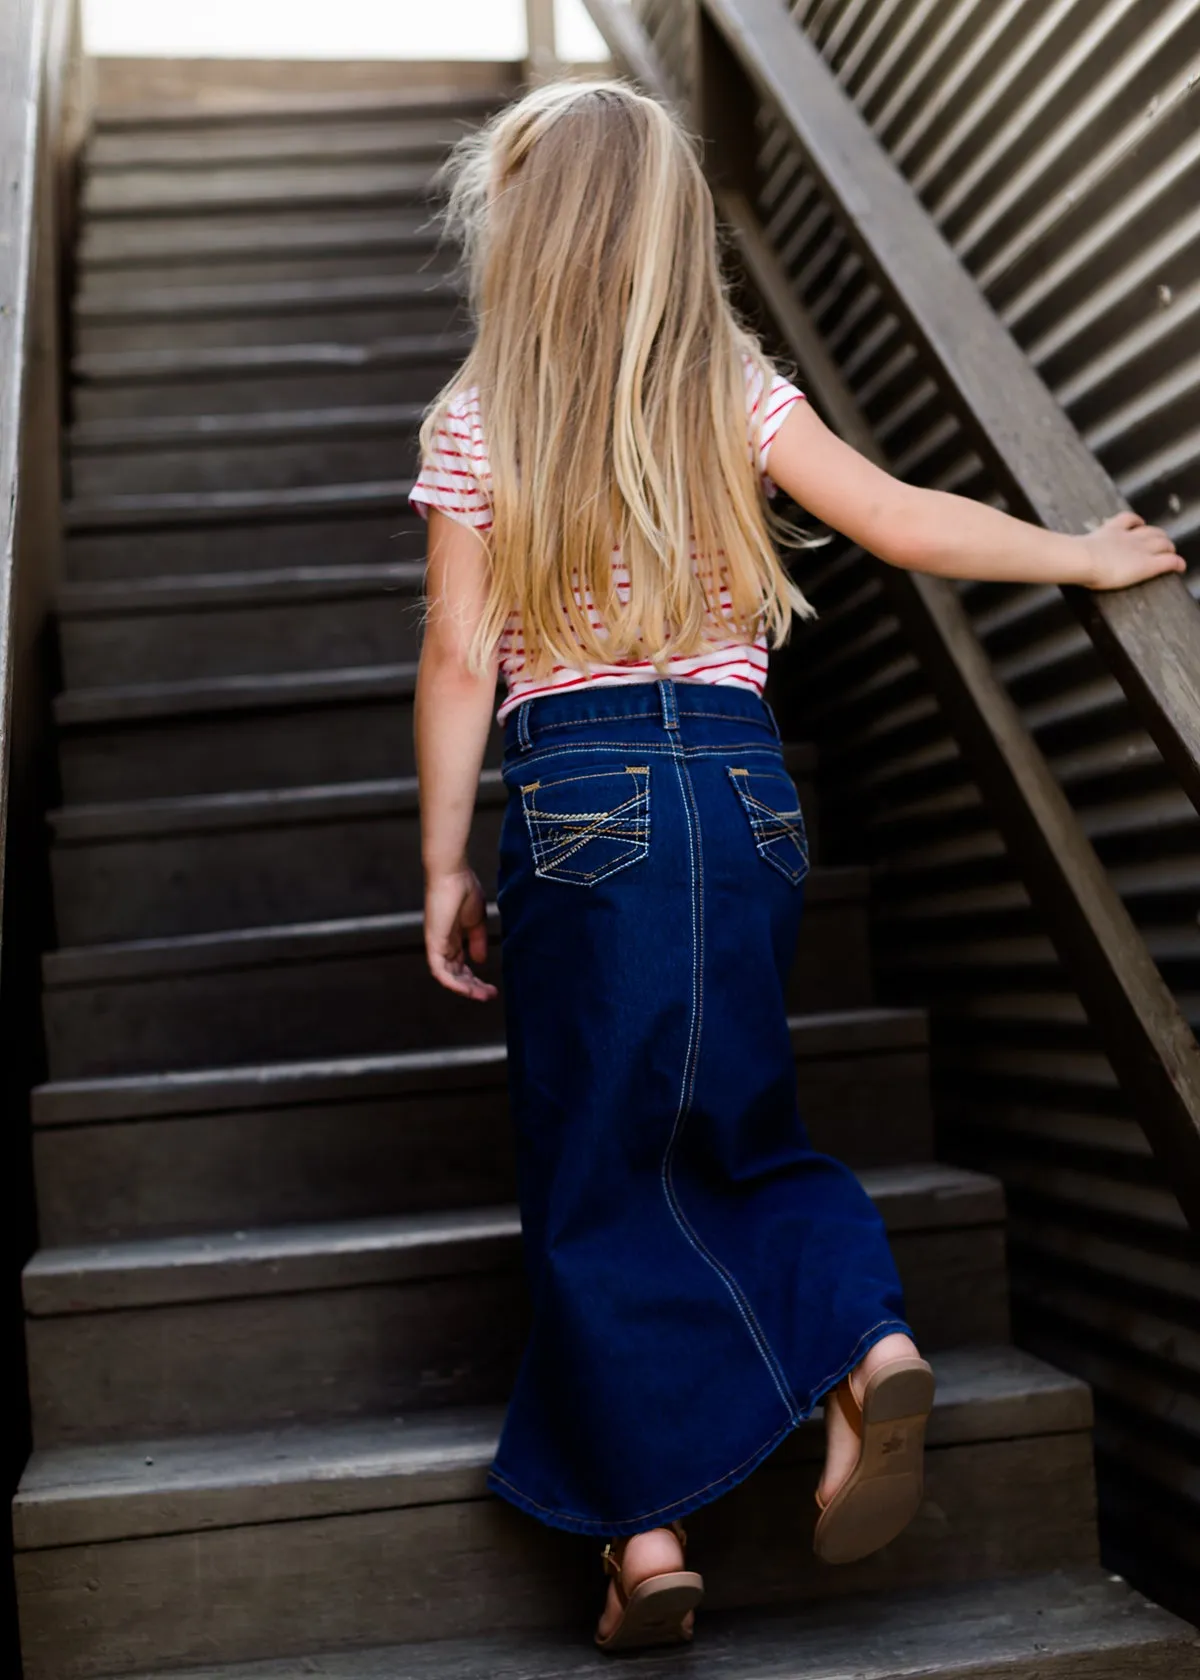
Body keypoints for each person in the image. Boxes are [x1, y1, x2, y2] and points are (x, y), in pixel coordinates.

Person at [411, 81, 1183, 1654]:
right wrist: (1081, 552)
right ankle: (862, 1341)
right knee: (746, 1124)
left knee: (594, 1171)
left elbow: (451, 655)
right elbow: (895, 520)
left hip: (582, 801)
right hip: (745, 797)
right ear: (676, 233)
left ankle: (643, 1539)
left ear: (523, 228)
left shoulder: (479, 414)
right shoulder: (732, 387)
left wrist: (441, 861)